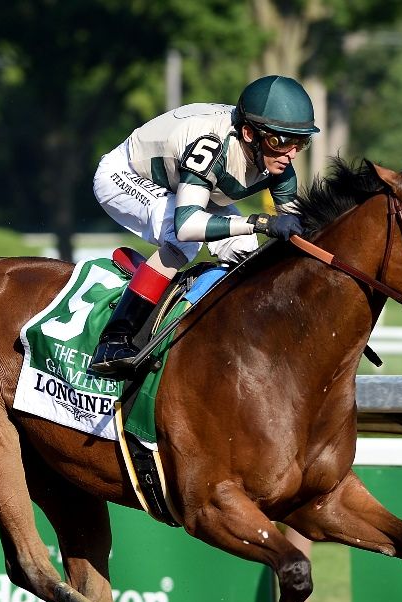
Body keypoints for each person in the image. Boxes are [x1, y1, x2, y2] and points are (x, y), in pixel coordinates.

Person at [88, 75, 319, 378]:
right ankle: (114, 340)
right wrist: (259, 222)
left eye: (300, 142)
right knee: (183, 240)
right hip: (125, 174)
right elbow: (187, 225)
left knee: (247, 251)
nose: (291, 153)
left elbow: (299, 233)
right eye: (281, 142)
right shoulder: (212, 146)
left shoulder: (278, 164)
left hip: (192, 186)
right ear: (249, 133)